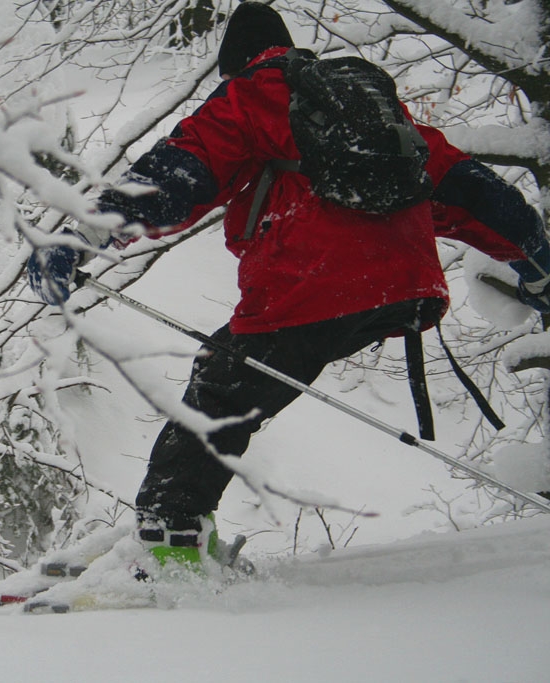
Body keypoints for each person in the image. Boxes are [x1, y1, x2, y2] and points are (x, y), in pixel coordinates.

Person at [27, 2, 550, 570]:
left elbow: (181, 174)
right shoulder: (367, 106)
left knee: (219, 394)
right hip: (405, 286)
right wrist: (535, 259)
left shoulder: (251, 95)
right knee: (241, 379)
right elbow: (464, 183)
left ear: (236, 64)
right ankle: (174, 534)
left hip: (315, 280)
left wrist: (84, 235)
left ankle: (168, 545)